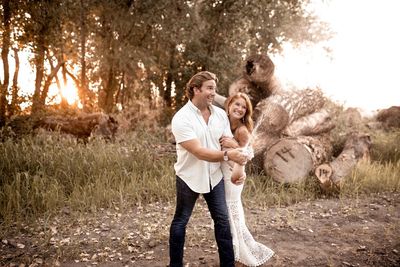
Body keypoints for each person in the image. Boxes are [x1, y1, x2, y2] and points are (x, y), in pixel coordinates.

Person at [169, 71, 248, 267]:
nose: (214, 93)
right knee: (181, 221)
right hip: (189, 177)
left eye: (214, 88)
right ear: (196, 90)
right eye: (210, 88)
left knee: (223, 220)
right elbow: (199, 152)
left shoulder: (220, 115)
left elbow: (225, 146)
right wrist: (229, 155)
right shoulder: (181, 118)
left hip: (214, 176)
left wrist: (238, 167)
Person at [220, 92, 274, 267]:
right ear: (229, 105)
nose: (240, 109)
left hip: (234, 176)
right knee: (226, 216)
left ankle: (242, 256)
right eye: (237, 105)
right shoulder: (222, 122)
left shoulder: (242, 130)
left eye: (244, 107)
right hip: (222, 173)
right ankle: (234, 253)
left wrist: (235, 146)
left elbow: (248, 154)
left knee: (232, 214)